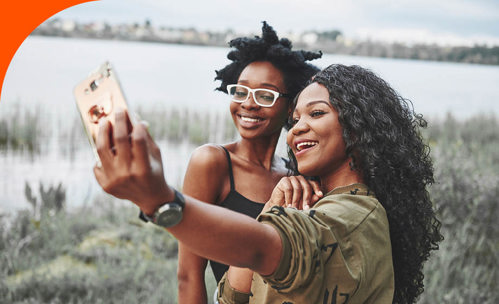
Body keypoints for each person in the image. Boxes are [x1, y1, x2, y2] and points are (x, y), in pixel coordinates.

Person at [93, 64, 443, 303]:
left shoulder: (356, 215)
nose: (299, 128)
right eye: (296, 119)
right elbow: (232, 295)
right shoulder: (313, 204)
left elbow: (264, 249)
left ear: (357, 128)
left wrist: (161, 200)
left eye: (317, 113)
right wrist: (272, 207)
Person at [176, 21, 322, 303]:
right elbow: (189, 275)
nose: (248, 104)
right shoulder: (212, 162)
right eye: (240, 91)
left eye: (265, 95)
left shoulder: (297, 175)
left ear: (291, 106)